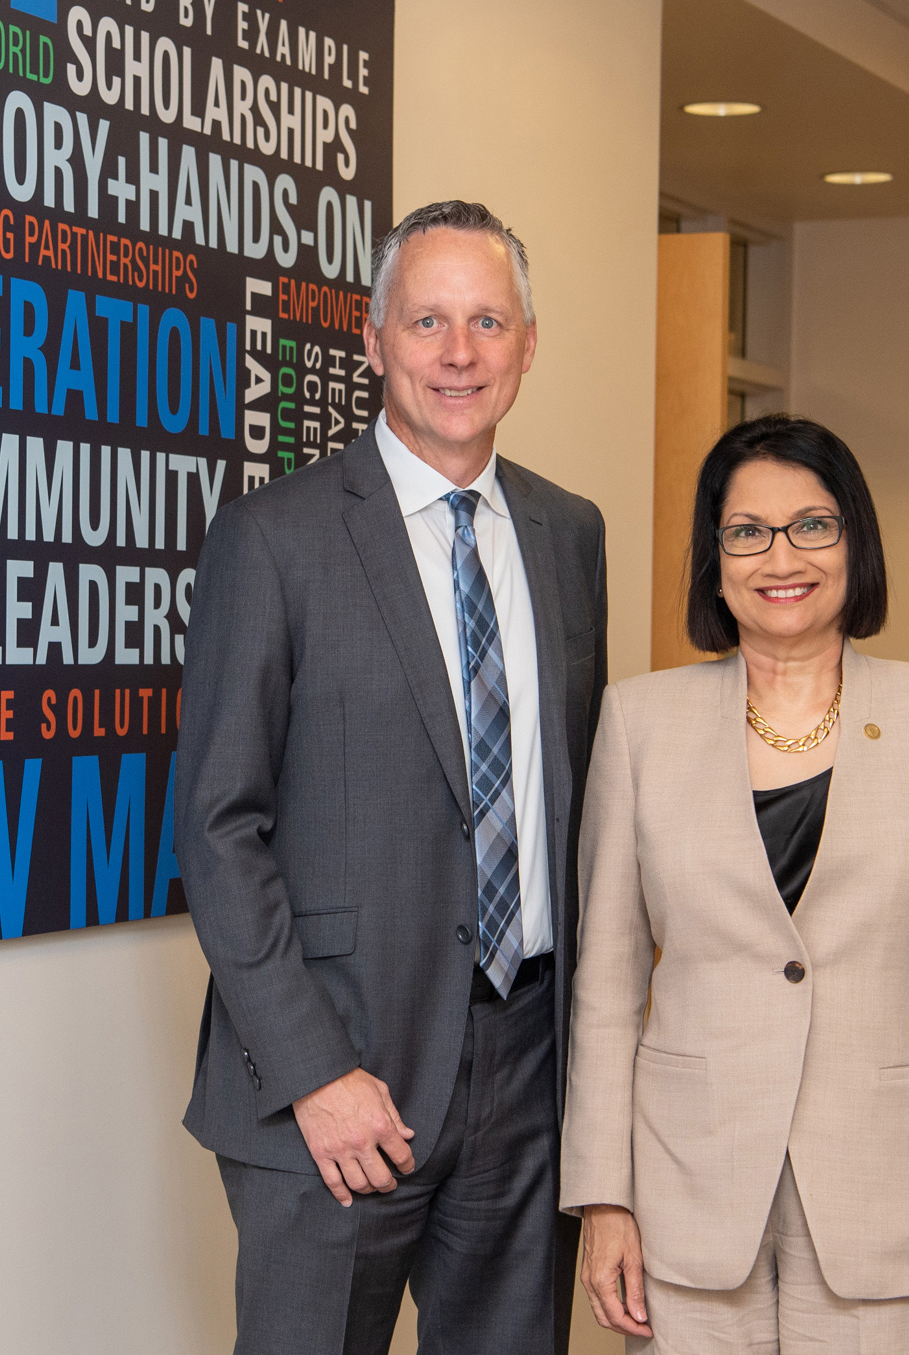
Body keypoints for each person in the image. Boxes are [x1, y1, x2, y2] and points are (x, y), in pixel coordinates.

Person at [176, 200, 608, 1354]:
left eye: (485, 322)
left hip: (526, 1071)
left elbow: (571, 802)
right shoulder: (273, 539)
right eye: (425, 321)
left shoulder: (571, 537)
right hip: (339, 1077)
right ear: (372, 343)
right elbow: (217, 827)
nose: (456, 354)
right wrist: (316, 1072)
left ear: (526, 344)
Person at [562, 414, 909, 1352]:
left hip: (888, 1184)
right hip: (685, 1186)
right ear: (715, 557)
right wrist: (603, 1196)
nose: (781, 556)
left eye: (812, 525)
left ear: (855, 539)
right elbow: (608, 987)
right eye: (747, 532)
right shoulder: (638, 723)